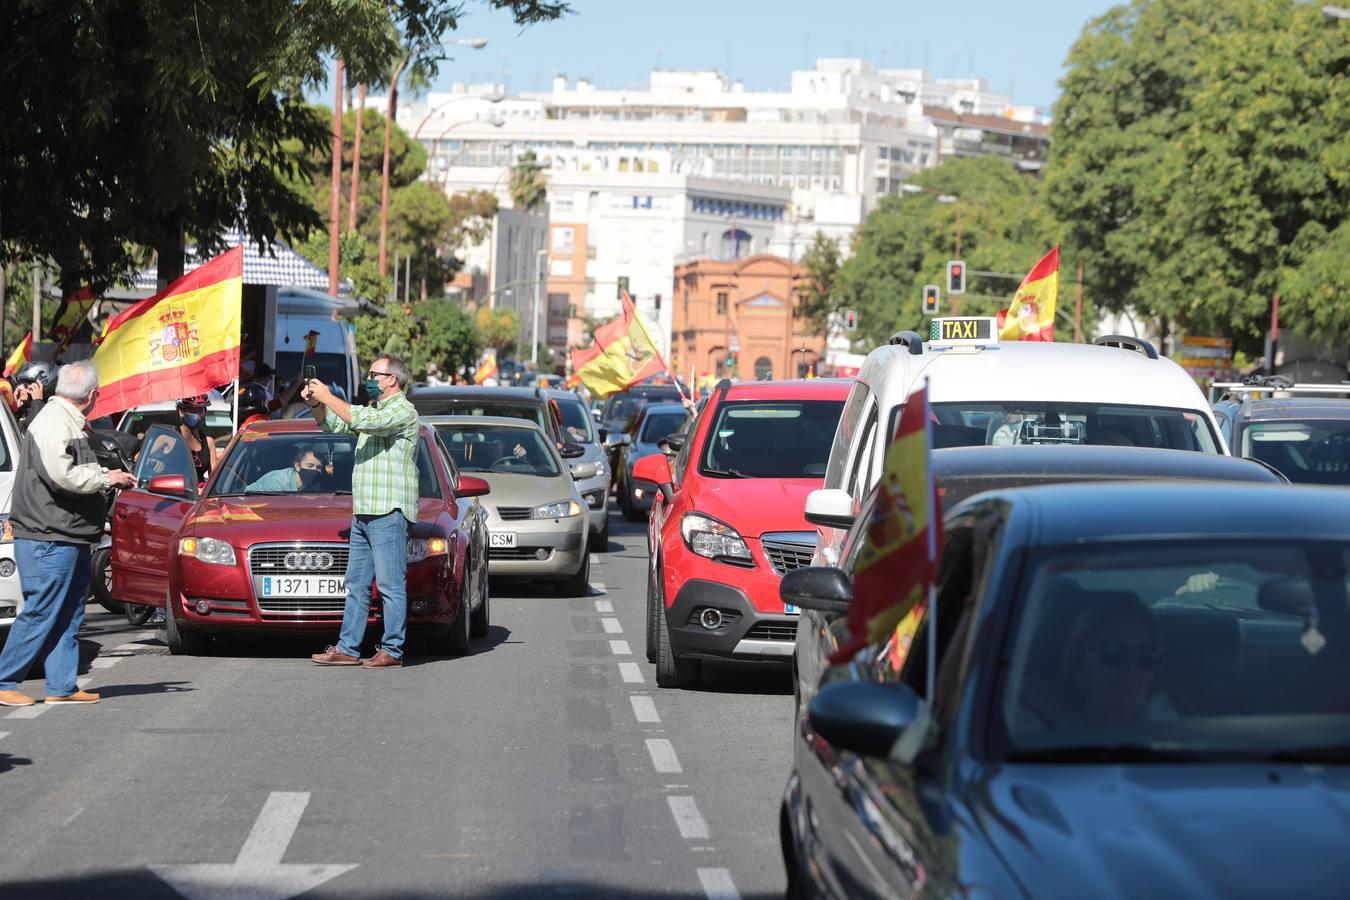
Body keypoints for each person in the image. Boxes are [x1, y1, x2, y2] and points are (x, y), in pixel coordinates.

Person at [0, 361, 137, 707]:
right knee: (43, 609)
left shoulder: (64, 419)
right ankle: (4, 679)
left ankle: (61, 686)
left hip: (66, 534)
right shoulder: (54, 421)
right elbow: (61, 474)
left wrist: (105, 473)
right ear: (92, 395)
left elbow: (75, 467)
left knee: (68, 610)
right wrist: (108, 479)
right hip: (50, 534)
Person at [304, 355, 420, 668]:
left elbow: (362, 420)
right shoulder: (373, 409)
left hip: (388, 510)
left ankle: (392, 650)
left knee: (390, 586)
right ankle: (348, 647)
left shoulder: (402, 410)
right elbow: (337, 423)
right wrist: (318, 403)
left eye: (374, 374)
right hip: (365, 510)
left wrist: (329, 395)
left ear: (392, 379)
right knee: (356, 584)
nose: (368, 379)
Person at [1062, 595, 1174, 724]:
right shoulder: (1044, 729)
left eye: (1146, 655)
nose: (1131, 669)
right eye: (1112, 652)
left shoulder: (1175, 716)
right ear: (1078, 666)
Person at [176, 395, 219, 481]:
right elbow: (142, 458)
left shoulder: (208, 442)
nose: (197, 415)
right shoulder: (170, 438)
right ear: (181, 411)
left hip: (201, 492)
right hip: (176, 492)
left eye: (200, 410)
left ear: (205, 412)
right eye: (192, 410)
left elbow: (213, 480)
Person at [246, 447, 324, 492]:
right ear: (297, 466)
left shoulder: (315, 485)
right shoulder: (277, 482)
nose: (315, 471)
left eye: (318, 468)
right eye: (310, 466)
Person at [13, 361, 57, 432]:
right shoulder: (22, 410)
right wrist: (15, 409)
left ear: (41, 387)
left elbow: (33, 428)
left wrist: (37, 401)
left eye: (25, 385)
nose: (19, 388)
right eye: (19, 383)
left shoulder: (51, 412)